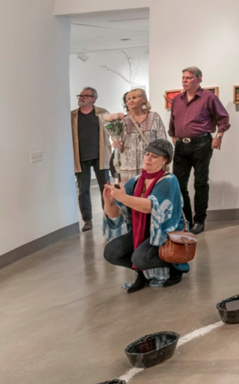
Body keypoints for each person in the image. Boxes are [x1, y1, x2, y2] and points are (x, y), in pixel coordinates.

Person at [103, 139, 189, 293]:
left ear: (165, 160)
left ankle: (176, 266)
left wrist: (123, 198)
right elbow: (115, 213)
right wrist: (109, 202)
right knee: (111, 252)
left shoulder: (169, 180)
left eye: (154, 156)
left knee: (140, 257)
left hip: (165, 234)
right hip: (141, 233)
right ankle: (141, 273)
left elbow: (152, 207)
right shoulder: (136, 181)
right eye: (147, 154)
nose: (148, 158)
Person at [168, 67, 229, 234]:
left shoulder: (209, 97)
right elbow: (173, 119)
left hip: (202, 143)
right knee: (178, 184)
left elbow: (223, 118)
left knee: (200, 183)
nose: (184, 80)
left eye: (188, 78)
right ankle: (186, 219)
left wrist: (219, 136)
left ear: (199, 79)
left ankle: (199, 220)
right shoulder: (177, 100)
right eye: (183, 78)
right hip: (181, 145)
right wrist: (173, 135)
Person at [71, 87, 111, 232]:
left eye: (85, 96)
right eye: (80, 96)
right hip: (80, 158)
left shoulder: (102, 113)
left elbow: (112, 130)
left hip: (100, 156)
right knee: (83, 190)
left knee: (105, 188)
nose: (81, 98)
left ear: (93, 98)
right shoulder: (73, 116)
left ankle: (108, 216)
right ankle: (87, 220)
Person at [111, 88, 168, 184]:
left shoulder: (154, 117)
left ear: (143, 100)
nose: (130, 101)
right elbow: (121, 145)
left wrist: (164, 161)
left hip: (150, 163)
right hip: (128, 166)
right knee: (131, 193)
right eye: (128, 99)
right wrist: (116, 142)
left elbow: (162, 141)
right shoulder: (123, 121)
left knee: (150, 191)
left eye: (134, 98)